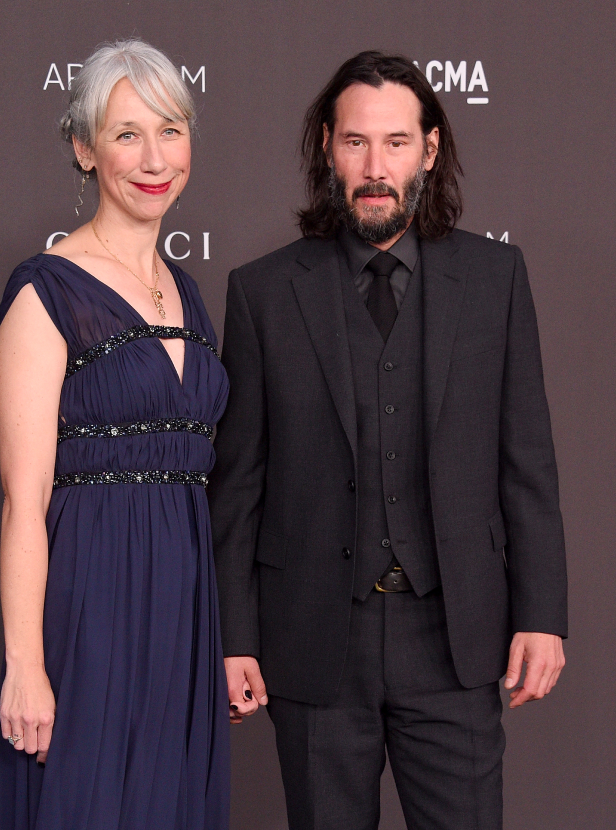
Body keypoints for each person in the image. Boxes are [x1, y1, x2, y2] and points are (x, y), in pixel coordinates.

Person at [208, 51, 567, 830]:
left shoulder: (497, 278)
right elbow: (238, 486)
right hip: (312, 640)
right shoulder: (261, 292)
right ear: (327, 149)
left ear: (429, 150)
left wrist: (542, 614)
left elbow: (528, 464)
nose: (376, 168)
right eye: (356, 142)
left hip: (455, 639)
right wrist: (234, 637)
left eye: (397, 142)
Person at [0, 39, 229, 830]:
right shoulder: (45, 291)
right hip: (90, 604)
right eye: (127, 134)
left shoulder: (186, 293)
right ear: (85, 149)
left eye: (170, 130)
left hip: (184, 610)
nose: (155, 159)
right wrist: (26, 666)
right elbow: (24, 503)